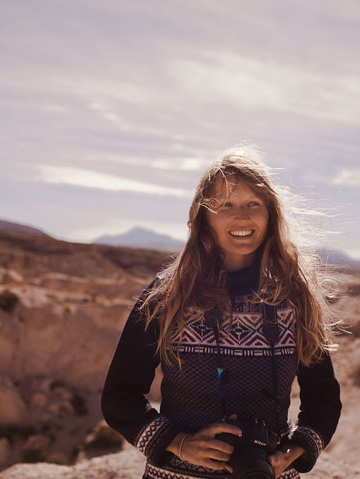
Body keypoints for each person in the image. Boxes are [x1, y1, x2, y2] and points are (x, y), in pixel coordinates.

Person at [101, 144, 342, 479]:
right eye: (225, 205)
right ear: (204, 216)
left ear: (270, 214)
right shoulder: (168, 295)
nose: (241, 217)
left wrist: (292, 454)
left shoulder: (293, 296)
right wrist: (179, 444)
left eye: (253, 204)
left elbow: (323, 399)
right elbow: (119, 396)